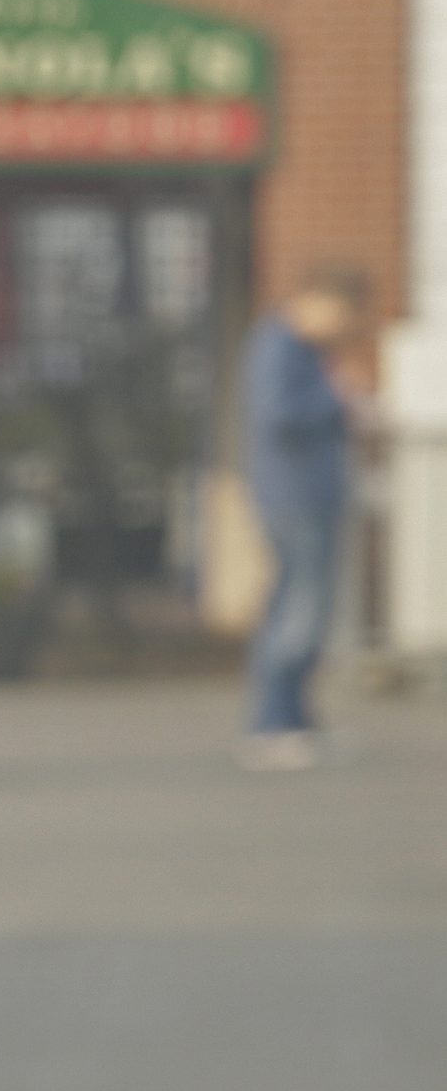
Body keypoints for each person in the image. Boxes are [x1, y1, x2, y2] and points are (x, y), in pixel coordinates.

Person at [240, 264, 370, 768]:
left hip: (308, 493)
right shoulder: (279, 347)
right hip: (295, 496)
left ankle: (294, 718)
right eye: (340, 315)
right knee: (300, 612)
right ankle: (271, 724)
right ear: (316, 299)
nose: (341, 328)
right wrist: (338, 400)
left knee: (302, 609)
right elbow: (279, 416)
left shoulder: (303, 351)